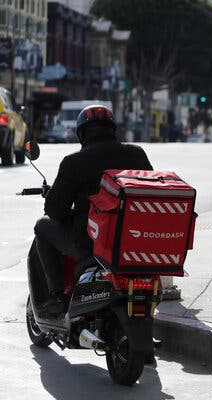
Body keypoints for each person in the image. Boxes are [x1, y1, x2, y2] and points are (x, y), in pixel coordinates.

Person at [34, 105, 153, 314]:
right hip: (133, 241)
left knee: (42, 225)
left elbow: (54, 211)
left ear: (82, 133)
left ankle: (57, 297)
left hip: (90, 244)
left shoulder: (74, 162)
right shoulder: (136, 154)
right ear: (112, 129)